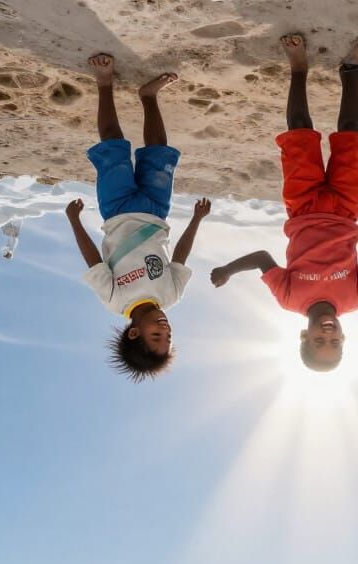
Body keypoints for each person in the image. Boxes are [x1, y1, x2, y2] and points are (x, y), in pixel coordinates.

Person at [210, 35, 358, 372]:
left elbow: (263, 258)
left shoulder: (289, 299)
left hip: (303, 206)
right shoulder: (354, 299)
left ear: (303, 338)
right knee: (351, 132)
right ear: (344, 340)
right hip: (347, 208)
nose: (328, 335)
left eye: (319, 342)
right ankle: (351, 71)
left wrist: (229, 270)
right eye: (334, 343)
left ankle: (299, 68)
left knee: (300, 131)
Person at [66, 53, 211, 382]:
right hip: (157, 210)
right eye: (169, 337)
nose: (165, 329)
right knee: (159, 147)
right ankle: (148, 97)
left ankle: (104, 83)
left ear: (134, 333)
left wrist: (74, 221)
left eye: (157, 336)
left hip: (116, 210)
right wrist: (196, 219)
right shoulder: (171, 296)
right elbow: (180, 256)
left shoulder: (115, 300)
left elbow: (94, 263)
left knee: (112, 143)